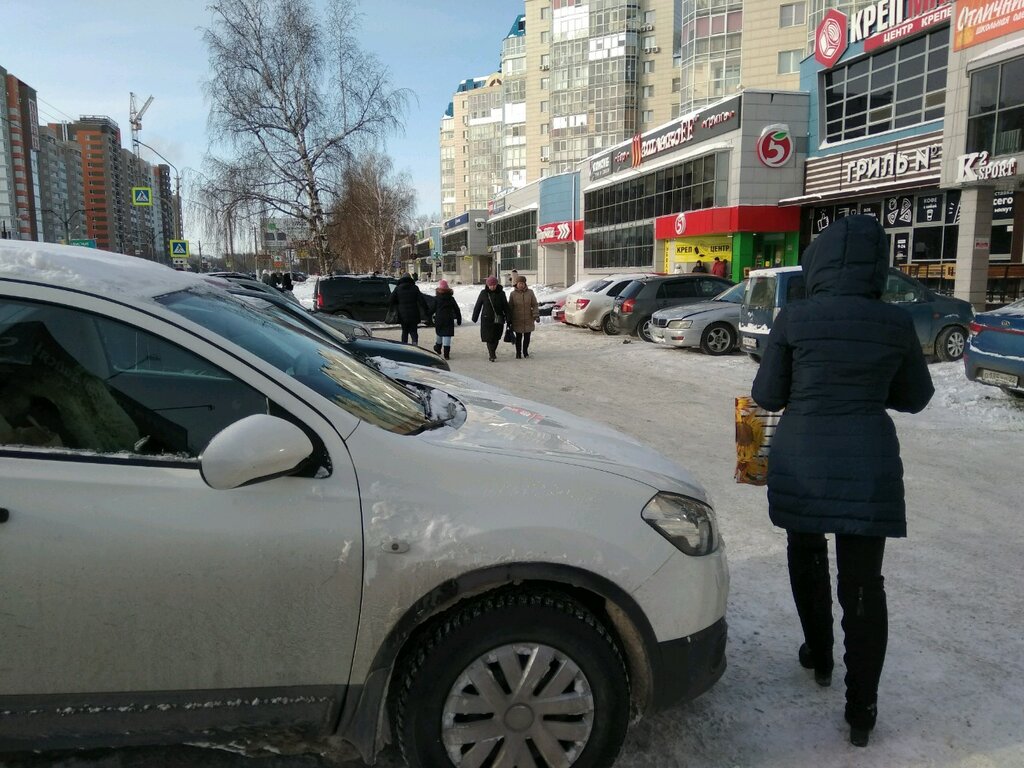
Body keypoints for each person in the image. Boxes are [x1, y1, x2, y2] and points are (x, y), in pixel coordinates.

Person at [751, 214, 934, 748]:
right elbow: (916, 398)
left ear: (821, 263)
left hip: (802, 460)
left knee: (805, 554)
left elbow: (767, 395)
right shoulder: (895, 323)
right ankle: (862, 709)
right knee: (863, 583)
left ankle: (820, 655)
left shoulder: (796, 318)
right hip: (868, 464)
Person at [471, 275, 509, 362]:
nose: (492, 287)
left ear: (497, 284)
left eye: (494, 285)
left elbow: (505, 306)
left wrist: (508, 317)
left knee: (496, 337)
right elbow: (478, 305)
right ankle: (492, 354)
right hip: (486, 319)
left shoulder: (501, 293)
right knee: (489, 337)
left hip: (498, 318)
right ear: (487, 285)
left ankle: (493, 351)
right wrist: (474, 317)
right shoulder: (483, 293)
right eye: (490, 285)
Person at [389, 273, 430, 345]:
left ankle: (404, 347)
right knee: (414, 331)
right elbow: (422, 301)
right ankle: (415, 345)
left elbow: (391, 300)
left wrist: (396, 304)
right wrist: (426, 310)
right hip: (414, 313)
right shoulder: (415, 288)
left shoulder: (398, 288)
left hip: (402, 314)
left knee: (404, 331)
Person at [507, 275, 539, 359]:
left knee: (527, 337)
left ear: (525, 284)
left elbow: (535, 304)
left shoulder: (530, 293)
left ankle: (525, 352)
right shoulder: (513, 294)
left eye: (522, 283)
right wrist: (509, 318)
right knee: (518, 337)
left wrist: (536, 315)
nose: (521, 285)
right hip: (517, 319)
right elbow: (510, 307)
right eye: (519, 283)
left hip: (528, 319)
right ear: (516, 284)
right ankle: (518, 353)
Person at [432, 280, 462, 360]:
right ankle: (446, 354)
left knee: (439, 333)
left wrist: (428, 316)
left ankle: (438, 348)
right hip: (449, 319)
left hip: (439, 319)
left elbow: (432, 309)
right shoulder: (451, 298)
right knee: (447, 335)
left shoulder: (436, 298)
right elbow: (457, 309)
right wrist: (459, 319)